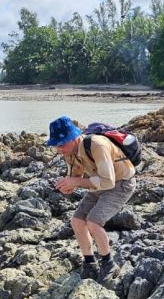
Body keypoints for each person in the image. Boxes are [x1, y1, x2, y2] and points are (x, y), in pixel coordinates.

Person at [46, 115, 136, 280]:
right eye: (55, 146)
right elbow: (75, 175)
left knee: (93, 222)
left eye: (61, 144)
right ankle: (90, 263)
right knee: (77, 221)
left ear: (73, 138)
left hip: (121, 184)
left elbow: (108, 181)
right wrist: (68, 186)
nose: (59, 150)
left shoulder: (97, 145)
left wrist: (77, 182)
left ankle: (109, 263)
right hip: (98, 184)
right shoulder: (70, 151)